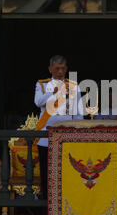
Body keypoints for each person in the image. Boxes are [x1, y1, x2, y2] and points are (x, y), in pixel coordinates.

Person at [34, 55, 83, 201]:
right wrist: (54, 92)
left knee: (67, 173)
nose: (60, 71)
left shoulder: (74, 86)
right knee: (47, 174)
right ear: (50, 69)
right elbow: (38, 102)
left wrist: (78, 135)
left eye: (63, 68)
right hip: (46, 139)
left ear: (66, 69)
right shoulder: (42, 85)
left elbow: (78, 113)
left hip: (67, 138)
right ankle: (46, 205)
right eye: (57, 68)